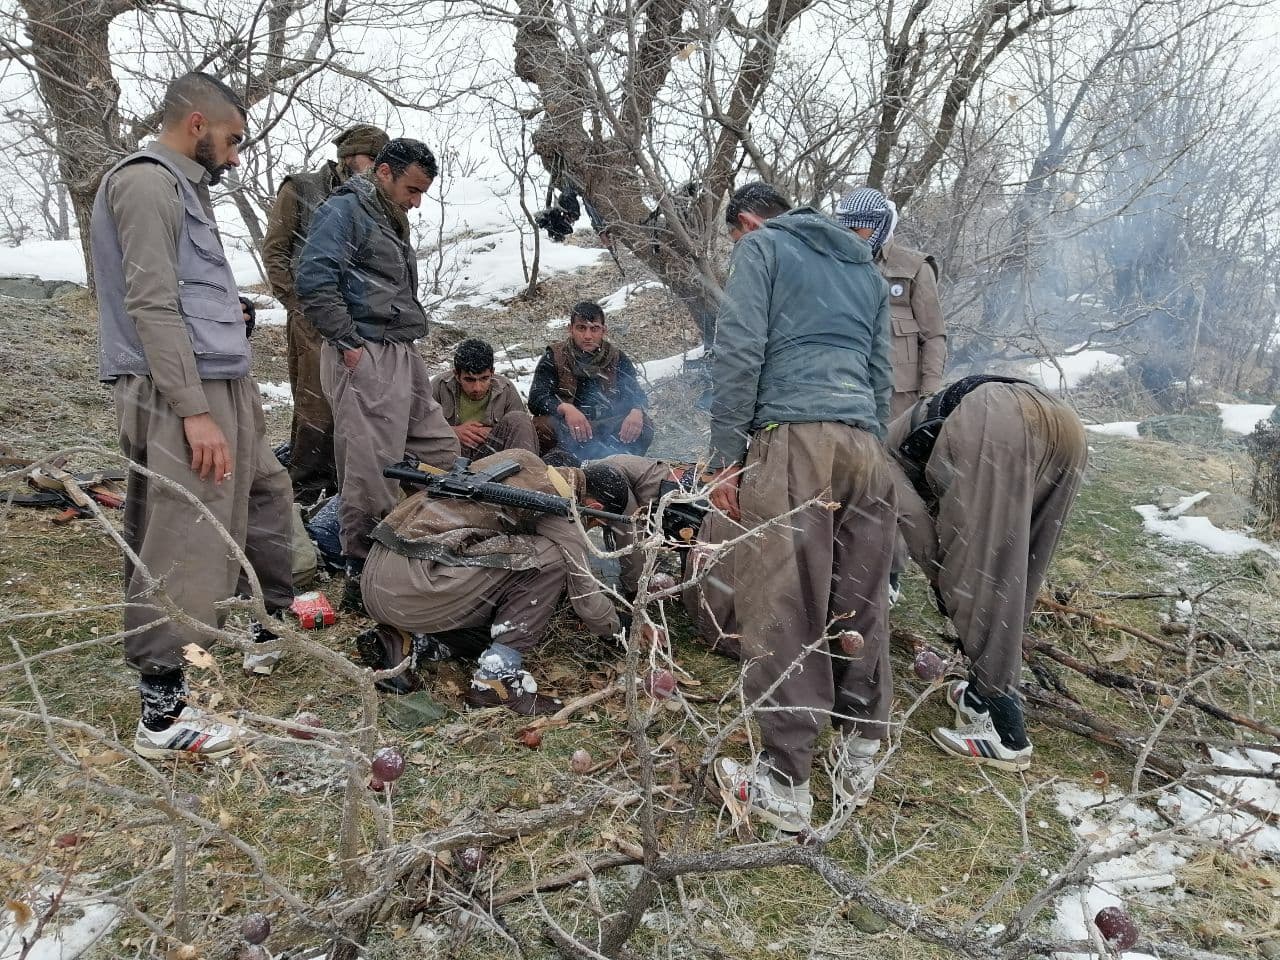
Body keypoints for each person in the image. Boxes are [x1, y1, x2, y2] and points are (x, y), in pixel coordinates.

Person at [92, 72, 296, 760]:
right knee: (186, 536)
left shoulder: (184, 186)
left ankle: (255, 626)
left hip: (218, 382)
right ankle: (162, 715)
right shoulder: (146, 183)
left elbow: (184, 294)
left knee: (262, 497)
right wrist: (193, 411)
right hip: (181, 394)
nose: (235, 156)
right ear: (197, 123)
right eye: (232, 140)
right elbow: (150, 305)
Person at [706, 183, 896, 833]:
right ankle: (860, 750)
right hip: (864, 445)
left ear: (749, 221)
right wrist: (868, 443)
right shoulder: (864, 269)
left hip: (793, 438)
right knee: (859, 597)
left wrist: (726, 455)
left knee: (784, 600)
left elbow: (739, 351)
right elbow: (881, 376)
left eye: (736, 235)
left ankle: (786, 781)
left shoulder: (763, 249)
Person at [885, 377, 1087, 771]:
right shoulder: (893, 432)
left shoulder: (875, 457)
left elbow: (919, 533)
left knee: (974, 582)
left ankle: (1008, 735)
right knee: (1019, 574)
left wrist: (943, 584)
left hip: (997, 421)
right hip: (1063, 424)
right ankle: (977, 697)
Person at [295, 137, 461, 615]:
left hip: (400, 348)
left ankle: (435, 538)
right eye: (412, 189)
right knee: (371, 469)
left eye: (422, 192)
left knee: (438, 448)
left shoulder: (386, 213)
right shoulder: (344, 209)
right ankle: (363, 573)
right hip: (364, 349)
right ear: (384, 172)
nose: (417, 202)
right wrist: (349, 345)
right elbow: (313, 279)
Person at [358, 449, 623, 712]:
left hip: (380, 576)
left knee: (498, 617)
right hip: (413, 584)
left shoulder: (522, 461)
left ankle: (408, 641)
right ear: (595, 508)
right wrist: (619, 630)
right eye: (594, 524)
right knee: (550, 559)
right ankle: (495, 680)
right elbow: (587, 601)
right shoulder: (558, 506)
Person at [263, 124, 390, 503]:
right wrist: (301, 307)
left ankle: (344, 492)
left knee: (357, 407)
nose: (378, 169)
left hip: (360, 322)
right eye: (373, 160)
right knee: (316, 406)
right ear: (349, 157)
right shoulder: (300, 188)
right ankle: (304, 493)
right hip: (312, 319)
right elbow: (275, 252)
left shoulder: (377, 198)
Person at [593, 454, 742, 657]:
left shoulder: (606, 480)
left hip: (684, 499)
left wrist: (636, 591)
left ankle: (713, 622)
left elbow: (632, 535)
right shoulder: (604, 474)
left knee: (705, 554)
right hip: (679, 495)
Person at [835, 187, 946, 418]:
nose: (850, 236)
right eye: (844, 228)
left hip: (898, 401)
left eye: (856, 229)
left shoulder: (915, 268)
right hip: (844, 393)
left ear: (879, 225)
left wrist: (929, 396)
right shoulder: (834, 265)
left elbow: (933, 335)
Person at [528, 302, 653, 462]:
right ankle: (555, 464)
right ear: (570, 329)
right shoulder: (554, 356)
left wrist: (636, 410)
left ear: (603, 330)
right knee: (541, 426)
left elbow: (636, 394)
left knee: (643, 423)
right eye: (581, 328)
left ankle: (620, 465)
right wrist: (565, 408)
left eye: (594, 329)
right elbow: (536, 398)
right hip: (567, 429)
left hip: (606, 429)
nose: (587, 336)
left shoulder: (617, 358)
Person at [431, 338, 538, 458]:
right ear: (456, 375)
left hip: (492, 456)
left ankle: (525, 468)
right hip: (451, 453)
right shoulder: (439, 386)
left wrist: (493, 432)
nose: (477, 388)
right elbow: (419, 426)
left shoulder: (506, 389)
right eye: (469, 380)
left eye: (484, 378)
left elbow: (520, 431)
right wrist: (452, 432)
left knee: (519, 418)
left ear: (492, 373)